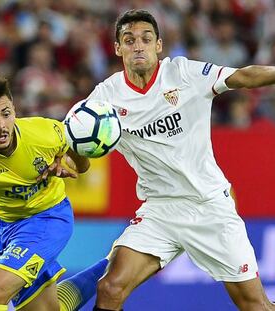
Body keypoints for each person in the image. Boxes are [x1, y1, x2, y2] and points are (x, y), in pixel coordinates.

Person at [87, 9, 275, 311]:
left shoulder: (184, 73)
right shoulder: (105, 97)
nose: (138, 45)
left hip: (208, 206)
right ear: (117, 48)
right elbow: (76, 139)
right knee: (110, 288)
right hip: (160, 209)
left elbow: (242, 76)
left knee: (255, 306)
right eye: (129, 39)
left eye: (146, 39)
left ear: (159, 45)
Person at [0, 76, 108, 311]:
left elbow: (82, 165)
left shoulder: (46, 133)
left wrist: (66, 159)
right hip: (5, 228)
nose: (1, 125)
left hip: (48, 218)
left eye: (6, 114)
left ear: (15, 112)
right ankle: (113, 265)